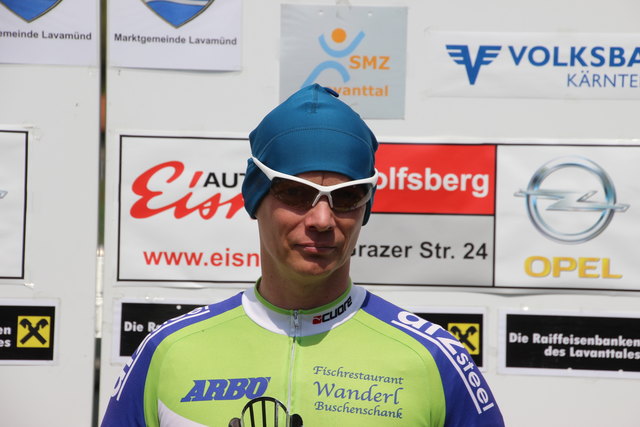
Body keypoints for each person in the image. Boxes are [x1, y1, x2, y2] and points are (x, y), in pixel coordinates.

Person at [101, 84, 505, 426]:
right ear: (255, 196)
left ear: (366, 206)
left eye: (346, 197)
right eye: (295, 193)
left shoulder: (433, 359)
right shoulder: (168, 350)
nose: (322, 219)